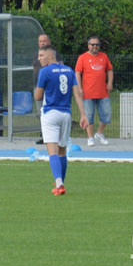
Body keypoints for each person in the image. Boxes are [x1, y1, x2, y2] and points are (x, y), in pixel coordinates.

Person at [34, 45, 88, 195]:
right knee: (62, 151)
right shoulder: (69, 70)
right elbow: (77, 94)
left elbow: (38, 96)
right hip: (66, 114)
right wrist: (83, 115)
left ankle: (59, 184)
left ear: (51, 56)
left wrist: (40, 90)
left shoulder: (45, 71)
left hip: (50, 113)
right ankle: (60, 181)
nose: (39, 59)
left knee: (53, 151)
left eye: (41, 56)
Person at [75, 35, 114, 147]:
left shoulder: (104, 57)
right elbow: (77, 72)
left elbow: (110, 70)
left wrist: (110, 83)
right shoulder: (82, 58)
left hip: (102, 92)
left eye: (97, 45)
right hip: (88, 93)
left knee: (107, 114)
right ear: (88, 45)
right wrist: (79, 87)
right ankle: (90, 137)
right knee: (88, 115)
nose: (95, 47)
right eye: (92, 44)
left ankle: (99, 133)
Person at [32, 34, 61, 145]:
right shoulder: (36, 55)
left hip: (51, 89)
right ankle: (44, 135)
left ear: (49, 41)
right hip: (38, 87)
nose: (42, 43)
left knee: (51, 112)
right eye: (40, 41)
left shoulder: (55, 56)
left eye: (44, 41)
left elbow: (60, 68)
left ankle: (54, 136)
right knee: (41, 113)